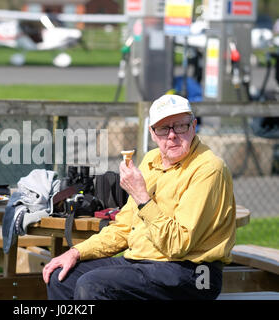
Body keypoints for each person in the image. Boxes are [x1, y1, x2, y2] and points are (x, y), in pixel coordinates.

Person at [43, 94, 236, 300]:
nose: (172, 135)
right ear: (152, 133)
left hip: (193, 273)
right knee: (61, 277)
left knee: (93, 285)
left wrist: (142, 196)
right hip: (144, 263)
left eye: (180, 126)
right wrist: (76, 252)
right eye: (163, 129)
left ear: (193, 126)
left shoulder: (208, 168)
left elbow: (178, 245)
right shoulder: (151, 160)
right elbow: (124, 227)